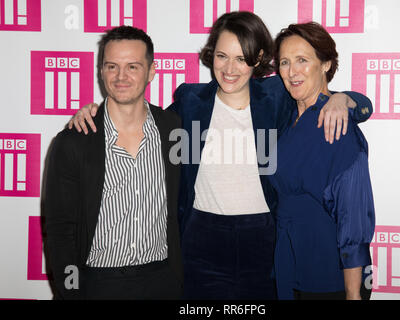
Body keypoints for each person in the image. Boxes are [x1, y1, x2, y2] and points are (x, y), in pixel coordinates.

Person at [68, 12, 372, 300]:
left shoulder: (277, 97)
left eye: (241, 59)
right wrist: (99, 112)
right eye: (222, 56)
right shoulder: (190, 102)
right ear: (211, 55)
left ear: (258, 61)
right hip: (201, 240)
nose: (230, 69)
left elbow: (328, 94)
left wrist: (345, 100)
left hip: (264, 243)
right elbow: (145, 120)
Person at [44, 26, 183, 300]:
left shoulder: (176, 131)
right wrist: (71, 292)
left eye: (132, 66)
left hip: (163, 282)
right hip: (98, 284)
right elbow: (60, 231)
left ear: (151, 71)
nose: (121, 77)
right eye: (111, 66)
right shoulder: (73, 141)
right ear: (100, 70)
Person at [269, 22, 375, 300]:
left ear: (326, 63)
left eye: (303, 60)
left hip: (326, 274)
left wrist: (354, 295)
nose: (292, 72)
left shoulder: (338, 126)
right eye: (284, 62)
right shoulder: (286, 117)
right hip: (286, 266)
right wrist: (344, 96)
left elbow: (354, 220)